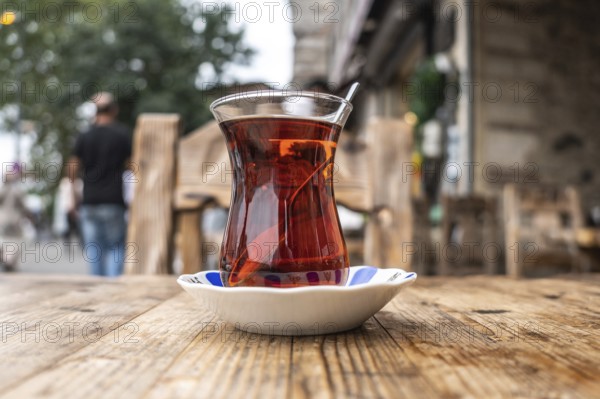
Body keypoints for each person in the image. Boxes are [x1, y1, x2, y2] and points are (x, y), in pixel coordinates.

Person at [68, 92, 132, 276]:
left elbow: (72, 169)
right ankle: (112, 290)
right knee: (116, 247)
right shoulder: (122, 135)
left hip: (90, 201)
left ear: (95, 112)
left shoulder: (84, 136)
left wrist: (73, 198)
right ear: (114, 110)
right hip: (114, 201)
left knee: (94, 251)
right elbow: (132, 167)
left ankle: (97, 291)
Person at [0, 163, 29, 271]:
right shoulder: (17, 190)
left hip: (2, 219)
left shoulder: (3, 189)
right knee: (15, 241)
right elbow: (24, 205)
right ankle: (9, 260)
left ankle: (6, 258)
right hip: (14, 219)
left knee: (6, 240)